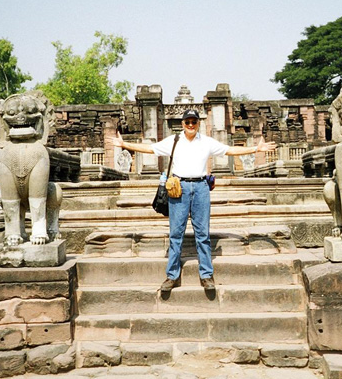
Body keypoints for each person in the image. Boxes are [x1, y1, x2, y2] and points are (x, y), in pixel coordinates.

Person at [109, 108, 277, 291]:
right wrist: (124, 144)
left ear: (198, 124)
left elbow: (229, 150)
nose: (190, 125)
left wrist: (256, 148)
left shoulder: (206, 142)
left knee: (203, 234)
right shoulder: (174, 140)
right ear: (182, 124)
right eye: (187, 122)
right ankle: (172, 275)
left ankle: (206, 274)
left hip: (200, 187)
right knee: (176, 233)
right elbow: (149, 148)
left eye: (193, 122)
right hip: (178, 188)